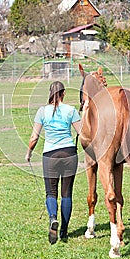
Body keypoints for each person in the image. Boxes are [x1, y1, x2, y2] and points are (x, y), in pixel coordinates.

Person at [25, 81, 81, 244]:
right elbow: (82, 133)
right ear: (63, 93)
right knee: (66, 193)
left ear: (50, 94)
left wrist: (28, 153)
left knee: (51, 192)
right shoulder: (71, 110)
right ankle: (63, 231)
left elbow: (34, 137)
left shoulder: (42, 111)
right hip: (69, 153)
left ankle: (52, 218)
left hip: (50, 155)